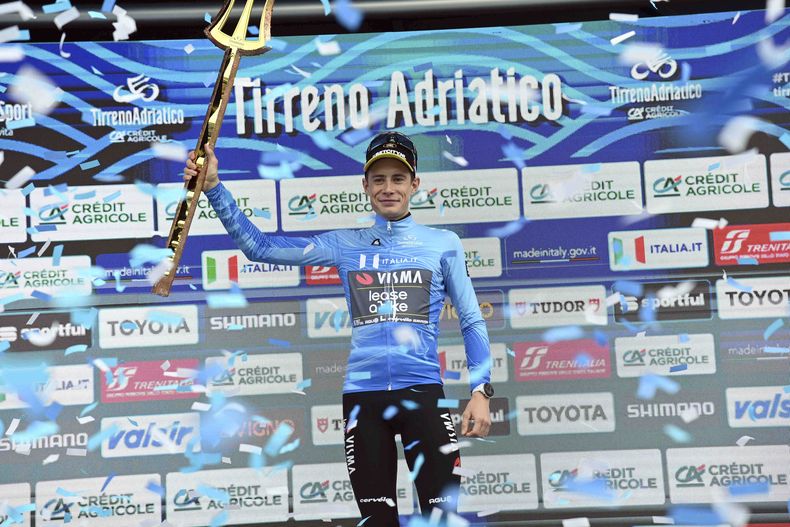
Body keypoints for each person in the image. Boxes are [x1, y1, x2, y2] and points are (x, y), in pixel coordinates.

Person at [184, 131, 494, 525]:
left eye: (398, 179)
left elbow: (471, 318)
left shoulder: (443, 244)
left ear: (415, 184)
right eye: (378, 179)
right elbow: (259, 248)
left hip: (424, 398)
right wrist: (213, 187)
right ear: (365, 186)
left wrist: (481, 390)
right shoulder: (346, 244)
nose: (388, 188)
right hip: (364, 402)